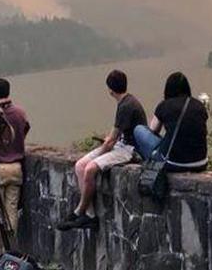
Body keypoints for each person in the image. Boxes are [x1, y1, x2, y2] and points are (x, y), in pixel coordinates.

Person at [58, 70, 147, 231]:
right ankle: (90, 216)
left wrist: (100, 153)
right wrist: (106, 145)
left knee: (90, 168)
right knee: (80, 166)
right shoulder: (125, 102)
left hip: (129, 149)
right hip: (120, 144)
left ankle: (79, 210)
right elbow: (114, 135)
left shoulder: (127, 106)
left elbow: (112, 140)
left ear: (110, 90)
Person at [132, 71, 209, 172]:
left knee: (139, 130)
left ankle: (148, 165)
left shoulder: (164, 105)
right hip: (201, 163)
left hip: (174, 163)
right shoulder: (199, 106)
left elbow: (152, 130)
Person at [0, 77, 30, 250]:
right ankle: (12, 250)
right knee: (12, 210)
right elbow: (25, 129)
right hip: (16, 167)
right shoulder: (20, 112)